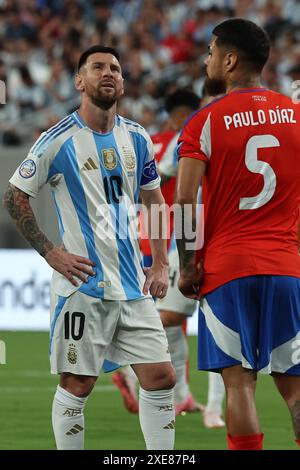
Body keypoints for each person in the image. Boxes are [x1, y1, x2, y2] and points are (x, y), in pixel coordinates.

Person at [3, 45, 176, 450]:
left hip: (134, 285)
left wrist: (161, 262)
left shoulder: (137, 137)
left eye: (116, 68)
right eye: (98, 67)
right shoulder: (57, 140)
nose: (109, 73)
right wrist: (51, 253)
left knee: (161, 376)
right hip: (84, 287)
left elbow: (153, 198)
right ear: (80, 81)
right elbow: (14, 196)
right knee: (78, 383)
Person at [175, 18, 300, 451]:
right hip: (287, 268)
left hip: (227, 270)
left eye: (211, 51)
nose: (206, 58)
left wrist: (188, 267)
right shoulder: (297, 115)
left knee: (239, 386)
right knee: (296, 389)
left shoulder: (204, 122)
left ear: (229, 61)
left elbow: (186, 199)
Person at [113, 87, 226, 428]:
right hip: (190, 237)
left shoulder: (193, 129)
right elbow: (162, 178)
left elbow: (159, 179)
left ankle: (202, 403)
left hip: (211, 236)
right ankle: (179, 391)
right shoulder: (192, 131)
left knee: (203, 324)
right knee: (173, 318)